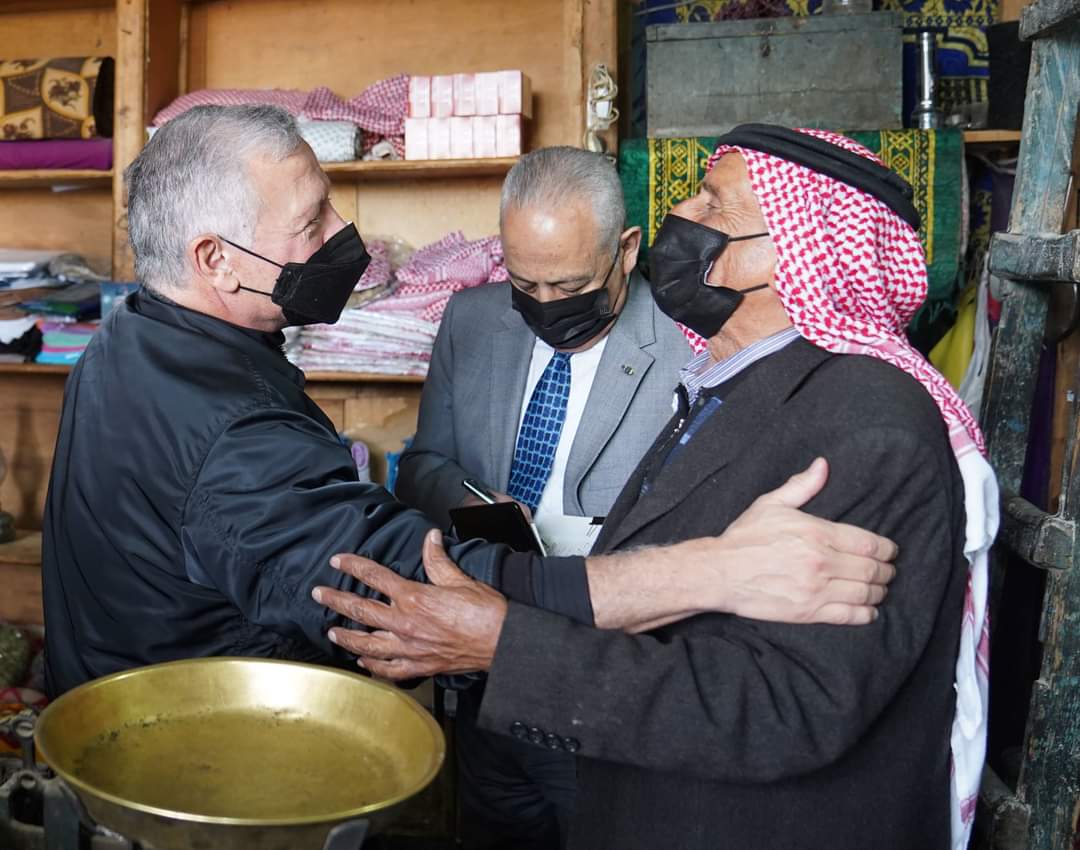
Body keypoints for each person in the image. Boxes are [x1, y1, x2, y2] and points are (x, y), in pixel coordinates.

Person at [41, 107, 899, 699]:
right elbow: (412, 591)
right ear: (216, 261)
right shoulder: (226, 426)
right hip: (207, 749)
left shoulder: (131, 336)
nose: (344, 234)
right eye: (311, 223)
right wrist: (718, 572)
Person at [314, 125, 999, 850]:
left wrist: (504, 645)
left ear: (802, 251)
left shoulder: (870, 428)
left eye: (713, 204)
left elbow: (783, 703)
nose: (682, 211)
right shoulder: (734, 384)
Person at [395, 147, 690, 849]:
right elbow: (421, 466)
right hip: (479, 675)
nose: (547, 305)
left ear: (625, 251)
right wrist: (475, 504)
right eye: (525, 283)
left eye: (570, 285)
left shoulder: (689, 344)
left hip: (604, 683)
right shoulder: (471, 320)